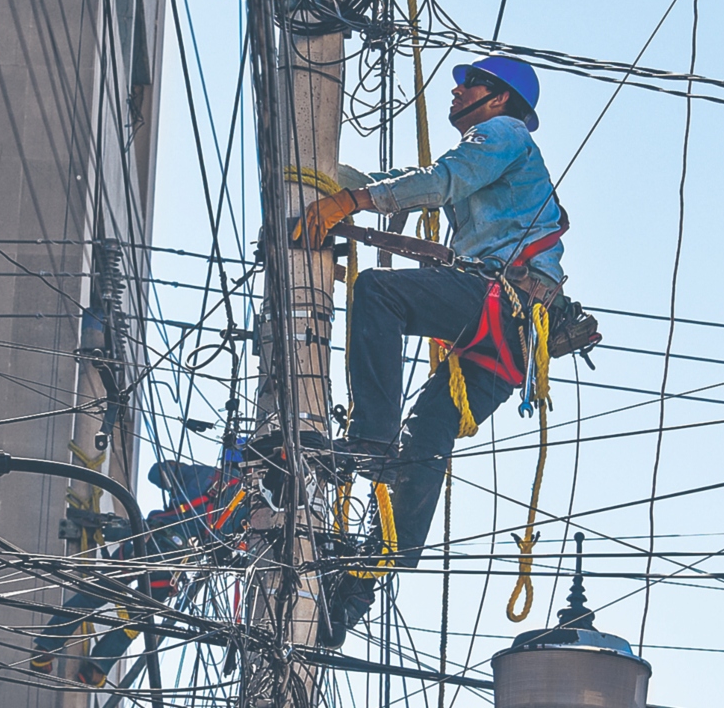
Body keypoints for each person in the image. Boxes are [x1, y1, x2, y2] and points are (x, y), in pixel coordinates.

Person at [295, 56, 567, 647]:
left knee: (378, 295)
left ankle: (370, 435)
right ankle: (361, 588)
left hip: (501, 302)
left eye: (472, 84)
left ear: (499, 100)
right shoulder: (493, 147)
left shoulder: (501, 134)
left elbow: (441, 180)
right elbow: (429, 177)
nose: (458, 87)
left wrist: (355, 202)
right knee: (427, 439)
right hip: (517, 339)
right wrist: (353, 188)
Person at [30, 459, 246, 684]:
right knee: (135, 619)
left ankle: (46, 647)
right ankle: (96, 668)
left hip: (146, 541)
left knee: (94, 594)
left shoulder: (206, 473)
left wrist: (176, 471)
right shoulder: (246, 506)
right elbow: (224, 550)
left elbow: (156, 473)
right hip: (172, 567)